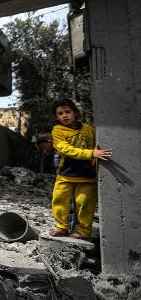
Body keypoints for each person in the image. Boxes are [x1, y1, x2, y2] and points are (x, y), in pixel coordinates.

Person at [50, 98, 112, 240]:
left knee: (84, 203)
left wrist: (95, 155)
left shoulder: (89, 130)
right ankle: (62, 226)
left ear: (75, 113)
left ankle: (83, 230)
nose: (64, 115)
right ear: (56, 117)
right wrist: (91, 153)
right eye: (60, 113)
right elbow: (66, 149)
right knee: (59, 200)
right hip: (65, 174)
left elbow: (98, 147)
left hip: (87, 175)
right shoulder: (57, 131)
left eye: (68, 112)